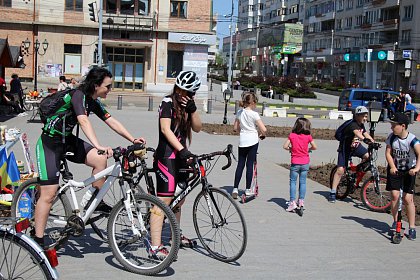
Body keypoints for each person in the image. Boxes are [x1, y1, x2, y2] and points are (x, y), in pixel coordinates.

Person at [33, 67, 145, 247]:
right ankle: (37, 240)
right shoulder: (78, 95)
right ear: (95, 85)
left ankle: (94, 200)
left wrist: (133, 139)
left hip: (67, 141)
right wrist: (99, 145)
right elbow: (83, 121)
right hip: (49, 144)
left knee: (100, 160)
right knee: (49, 194)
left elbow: (111, 120)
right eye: (108, 86)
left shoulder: (93, 101)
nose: (110, 90)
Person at [150, 70, 202, 258]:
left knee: (179, 200)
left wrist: (193, 110)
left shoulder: (187, 106)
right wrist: (182, 150)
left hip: (181, 158)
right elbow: (165, 129)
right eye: (180, 90)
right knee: (164, 200)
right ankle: (155, 246)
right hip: (167, 157)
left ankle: (175, 235)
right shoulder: (167, 103)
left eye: (188, 93)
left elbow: (197, 128)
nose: (183, 95)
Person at [385, 112, 420, 240]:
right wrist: (392, 166)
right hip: (395, 170)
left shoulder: (412, 140)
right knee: (394, 195)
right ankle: (396, 221)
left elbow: (419, 154)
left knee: (407, 199)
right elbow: (388, 153)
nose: (391, 127)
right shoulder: (392, 137)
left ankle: (412, 227)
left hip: (408, 171)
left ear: (403, 126)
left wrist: (416, 168)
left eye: (394, 125)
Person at [329, 106, 375, 203]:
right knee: (340, 170)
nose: (366, 119)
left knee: (368, 157)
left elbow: (365, 133)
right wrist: (365, 140)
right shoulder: (353, 124)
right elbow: (358, 133)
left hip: (356, 147)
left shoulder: (361, 124)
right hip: (345, 148)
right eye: (364, 116)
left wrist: (373, 142)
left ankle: (356, 172)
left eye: (367, 117)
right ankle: (333, 192)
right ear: (357, 115)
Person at [232, 92, 267, 199]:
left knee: (240, 165)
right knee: (249, 165)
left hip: (242, 141)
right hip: (252, 141)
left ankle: (235, 188)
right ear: (252, 102)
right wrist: (262, 135)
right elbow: (264, 129)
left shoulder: (239, 112)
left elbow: (235, 128)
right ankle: (247, 190)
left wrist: (242, 130)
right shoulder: (254, 114)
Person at [283, 118, 317, 212]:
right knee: (303, 182)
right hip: (305, 163)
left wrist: (291, 149)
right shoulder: (308, 136)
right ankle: (301, 201)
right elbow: (315, 147)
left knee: (293, 182)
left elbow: (285, 146)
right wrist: (308, 149)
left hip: (295, 163)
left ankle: (292, 202)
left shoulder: (292, 135)